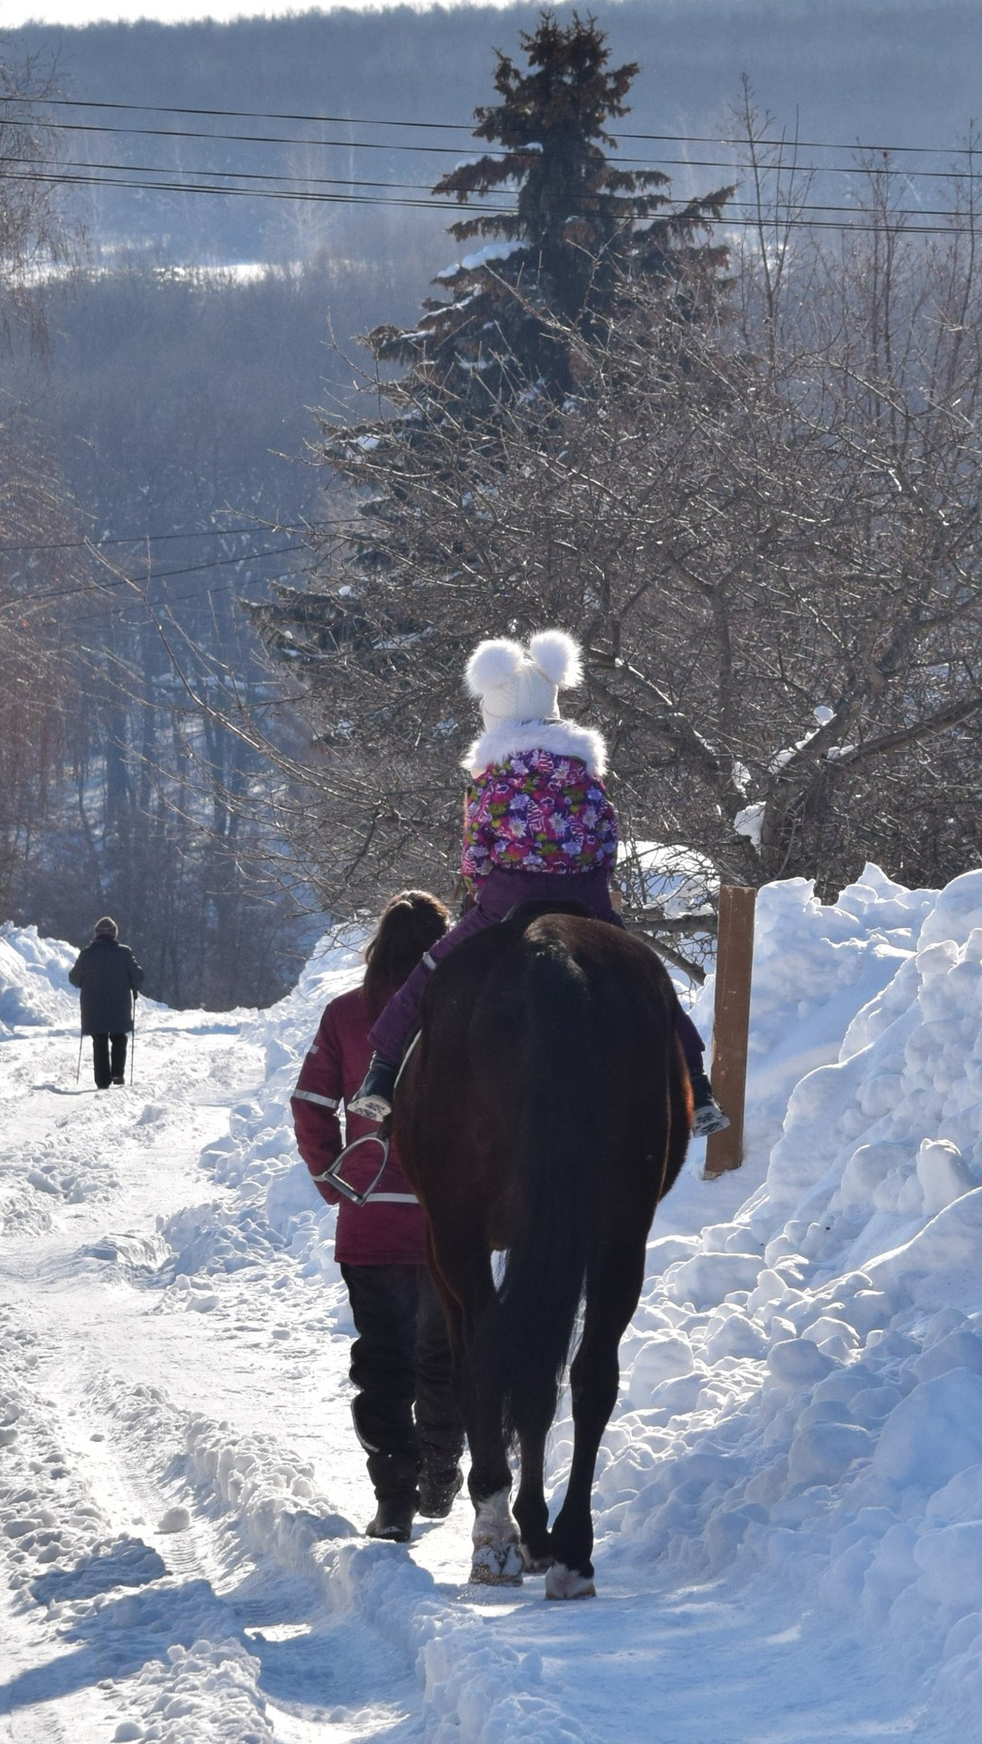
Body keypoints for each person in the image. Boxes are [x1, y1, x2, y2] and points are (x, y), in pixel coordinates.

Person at [345, 630, 721, 1138]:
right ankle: (698, 1085)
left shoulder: (491, 781)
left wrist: (482, 886)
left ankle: (382, 1072)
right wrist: (592, 882)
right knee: (649, 977)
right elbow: (607, 838)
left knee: (431, 971)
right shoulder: (586, 776)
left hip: (508, 897)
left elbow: (475, 855)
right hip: (585, 894)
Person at [292, 890, 467, 1542]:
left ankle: (394, 1499)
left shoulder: (346, 1014)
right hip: (448, 1219)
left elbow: (311, 1103)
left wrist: (332, 1178)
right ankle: (441, 1473)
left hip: (370, 1220)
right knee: (444, 1354)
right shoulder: (463, 1008)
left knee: (384, 1362)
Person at [68, 915, 142, 1089]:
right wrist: (133, 984)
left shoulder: (87, 954)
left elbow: (74, 978)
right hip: (119, 1005)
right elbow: (138, 977)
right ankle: (117, 1073)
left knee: (99, 1039)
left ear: (96, 934)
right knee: (119, 1037)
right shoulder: (124, 953)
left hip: (93, 1006)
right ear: (114, 934)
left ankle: (102, 1080)